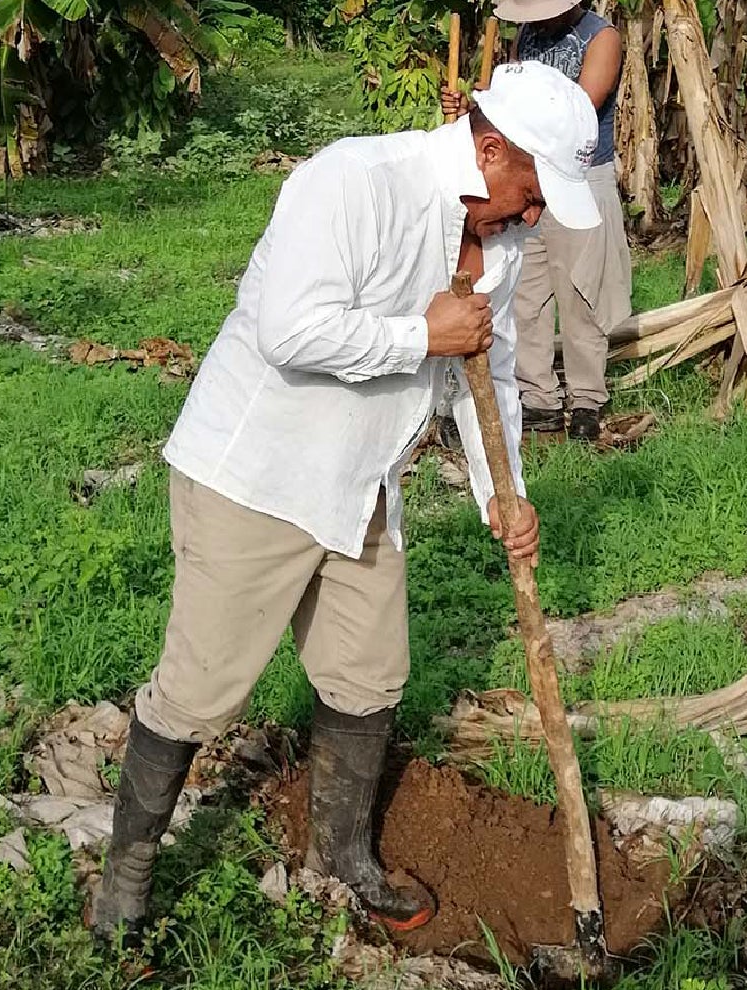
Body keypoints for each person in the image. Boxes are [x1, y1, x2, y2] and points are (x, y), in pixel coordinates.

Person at [88, 60, 602, 941]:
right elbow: (289, 328)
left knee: (368, 674)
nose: (536, 212)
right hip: (259, 475)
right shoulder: (355, 182)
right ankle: (124, 885)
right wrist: (421, 334)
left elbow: (491, 373)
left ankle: (343, 854)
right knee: (199, 692)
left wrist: (499, 492)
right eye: (532, 189)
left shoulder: (503, 243)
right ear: (487, 148)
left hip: (361, 484)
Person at [442, 0, 632, 441]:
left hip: (579, 178)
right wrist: (476, 107)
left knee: (581, 289)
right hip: (528, 178)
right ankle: (537, 395)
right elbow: (511, 109)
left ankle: (587, 397)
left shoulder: (600, 37)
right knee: (528, 293)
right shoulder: (527, 37)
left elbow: (580, 111)